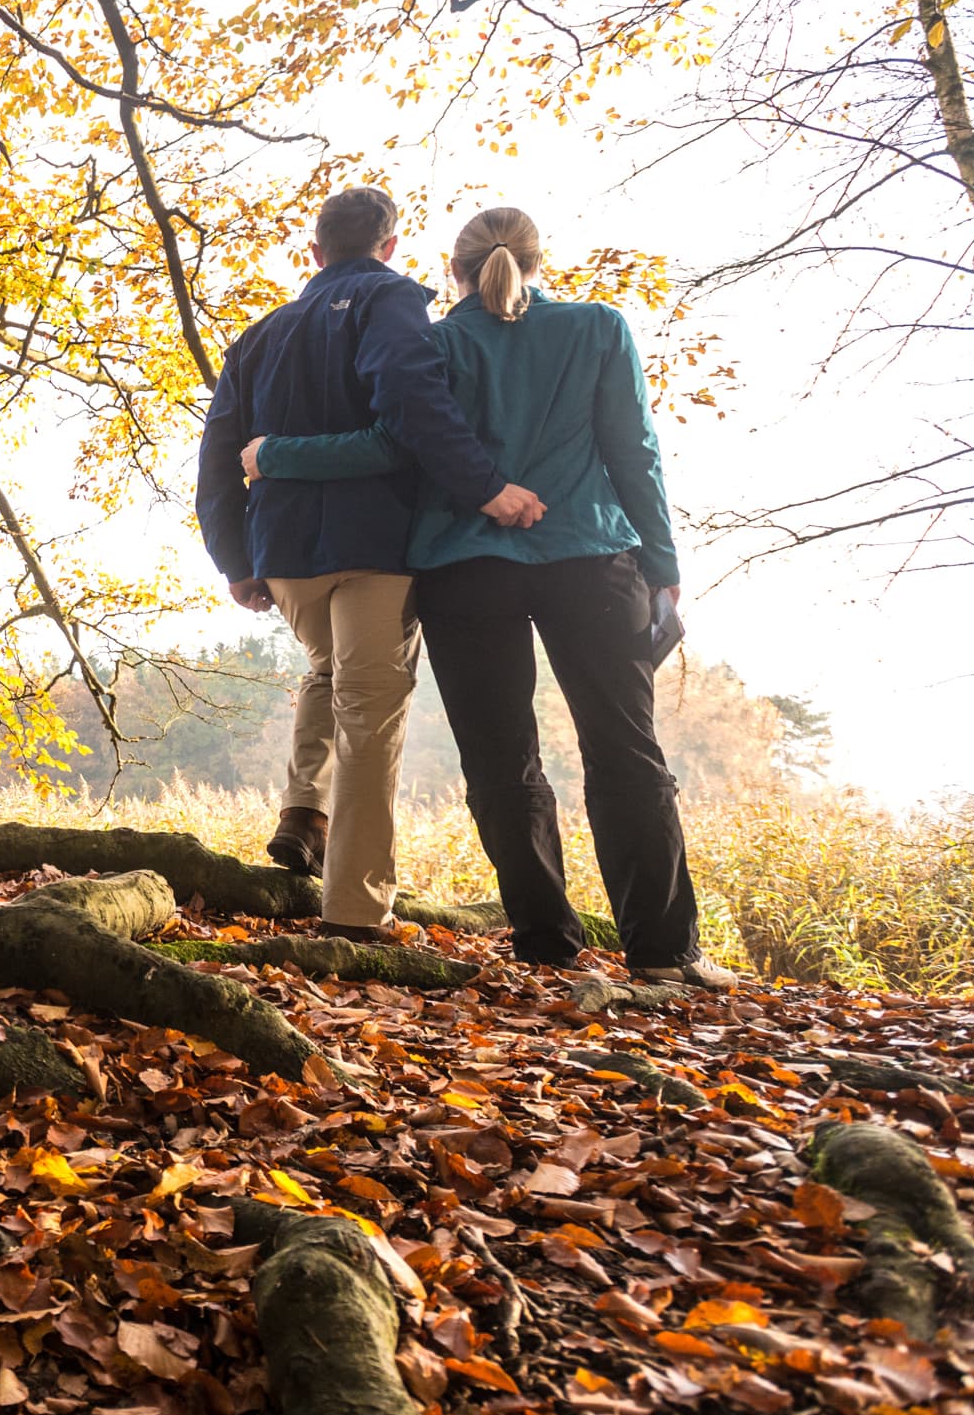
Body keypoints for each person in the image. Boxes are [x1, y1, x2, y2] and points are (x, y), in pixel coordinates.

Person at [243, 207, 738, 990]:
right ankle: (662, 954)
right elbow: (634, 451)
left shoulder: (432, 343)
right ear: (538, 261)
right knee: (626, 750)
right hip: (591, 559)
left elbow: (392, 443)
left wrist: (276, 455)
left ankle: (545, 944)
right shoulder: (599, 329)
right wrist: (663, 564)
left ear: (452, 269)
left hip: (464, 568)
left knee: (502, 763)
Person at [197, 186, 545, 939]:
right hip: (375, 545)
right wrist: (485, 488)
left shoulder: (258, 336)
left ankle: (301, 813)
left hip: (283, 554)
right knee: (370, 713)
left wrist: (234, 558)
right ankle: (356, 912)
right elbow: (414, 403)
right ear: (389, 247)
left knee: (333, 671)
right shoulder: (392, 304)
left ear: (315, 253)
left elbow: (218, 455)